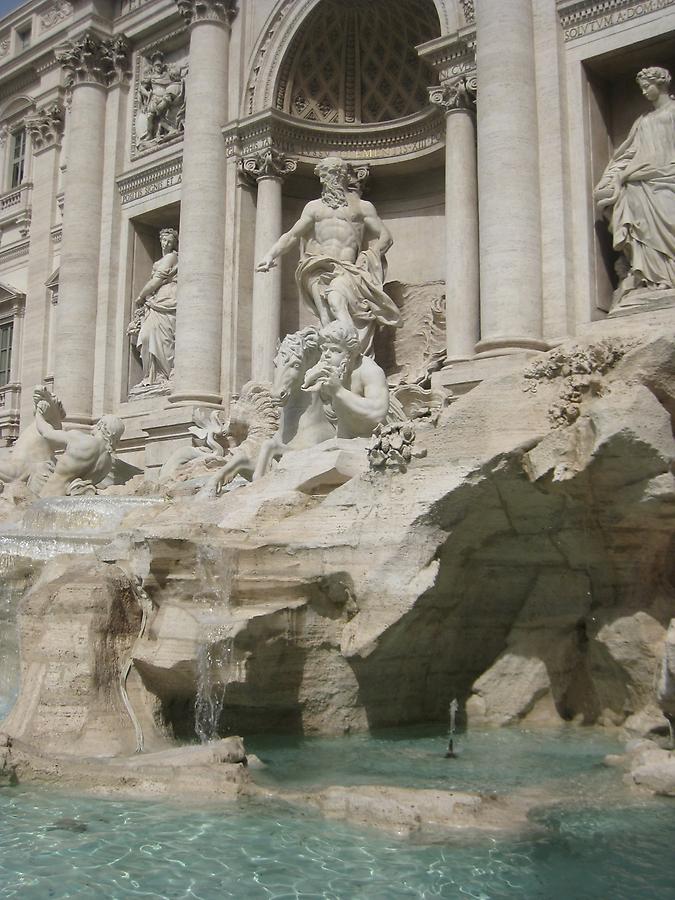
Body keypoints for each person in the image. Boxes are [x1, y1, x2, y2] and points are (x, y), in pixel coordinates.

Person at [256, 156, 400, 356]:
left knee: (336, 300)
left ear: (341, 176)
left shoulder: (362, 207)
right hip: (318, 267)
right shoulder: (314, 208)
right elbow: (292, 235)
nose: (325, 181)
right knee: (325, 317)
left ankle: (352, 354)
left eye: (329, 175)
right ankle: (333, 360)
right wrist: (270, 255)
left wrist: (369, 257)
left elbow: (385, 236)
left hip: (347, 268)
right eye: (323, 176)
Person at [594, 67, 675, 293]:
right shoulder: (643, 121)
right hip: (641, 180)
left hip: (668, 176)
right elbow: (628, 153)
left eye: (646, 86)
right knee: (630, 202)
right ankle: (653, 277)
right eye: (641, 88)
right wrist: (614, 177)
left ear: (660, 85)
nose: (643, 92)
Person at [302, 320, 390, 439]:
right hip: (343, 438)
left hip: (372, 440)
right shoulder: (334, 373)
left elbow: (378, 413)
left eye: (334, 350)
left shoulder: (370, 371)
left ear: (352, 354)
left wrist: (338, 390)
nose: (326, 355)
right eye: (324, 349)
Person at [33, 391, 124, 497]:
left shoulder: (81, 439)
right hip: (71, 506)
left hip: (49, 499)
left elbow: (46, 433)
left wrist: (39, 413)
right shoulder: (107, 464)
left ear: (101, 425)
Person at [128, 227, 178, 388]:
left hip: (166, 297)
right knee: (146, 336)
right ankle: (151, 375)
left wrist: (141, 296)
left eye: (169, 241)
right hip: (155, 300)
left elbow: (158, 279)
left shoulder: (171, 257)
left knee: (163, 337)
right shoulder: (160, 260)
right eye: (163, 240)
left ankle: (164, 374)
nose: (165, 244)